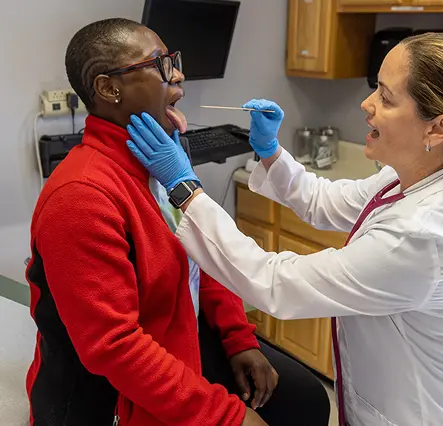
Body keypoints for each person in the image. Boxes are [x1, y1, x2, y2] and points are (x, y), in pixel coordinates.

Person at [127, 33, 443, 425]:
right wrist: (270, 152)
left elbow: (273, 282)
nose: (367, 103)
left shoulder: (424, 234)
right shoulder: (416, 176)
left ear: (438, 129)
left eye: (386, 98)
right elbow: (323, 201)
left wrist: (183, 187)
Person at [25, 18, 329, 426]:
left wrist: (239, 339)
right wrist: (224, 417)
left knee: (305, 401)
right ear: (108, 88)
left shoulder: (161, 163)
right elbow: (114, 347)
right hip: (107, 393)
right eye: (160, 64)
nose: (179, 74)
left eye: (173, 60)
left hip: (175, 334)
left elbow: (205, 255)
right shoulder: (81, 196)